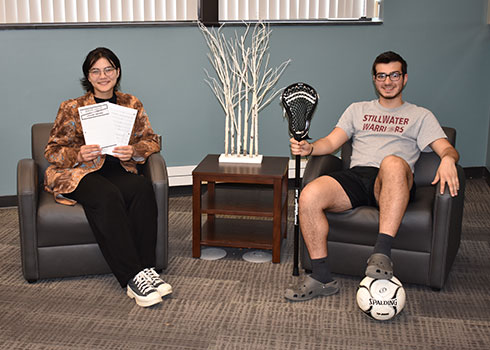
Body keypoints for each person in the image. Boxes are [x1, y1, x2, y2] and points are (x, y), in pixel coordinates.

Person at [284, 51, 460, 302]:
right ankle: (322, 277)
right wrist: (309, 148)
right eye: (381, 76)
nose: (388, 82)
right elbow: (332, 141)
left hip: (395, 178)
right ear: (374, 79)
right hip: (358, 176)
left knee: (392, 162)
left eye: (394, 75)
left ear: (405, 78)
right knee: (310, 194)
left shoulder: (420, 115)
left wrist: (448, 160)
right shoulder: (357, 110)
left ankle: (381, 255)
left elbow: (446, 148)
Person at [44, 47, 172, 308]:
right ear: (88, 77)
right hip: (79, 173)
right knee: (107, 195)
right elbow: (52, 151)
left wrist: (134, 150)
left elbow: (152, 140)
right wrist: (77, 152)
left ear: (118, 72)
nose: (103, 75)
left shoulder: (131, 103)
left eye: (108, 69)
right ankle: (132, 277)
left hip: (117, 169)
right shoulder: (71, 107)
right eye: (96, 71)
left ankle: (147, 269)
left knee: (142, 188)